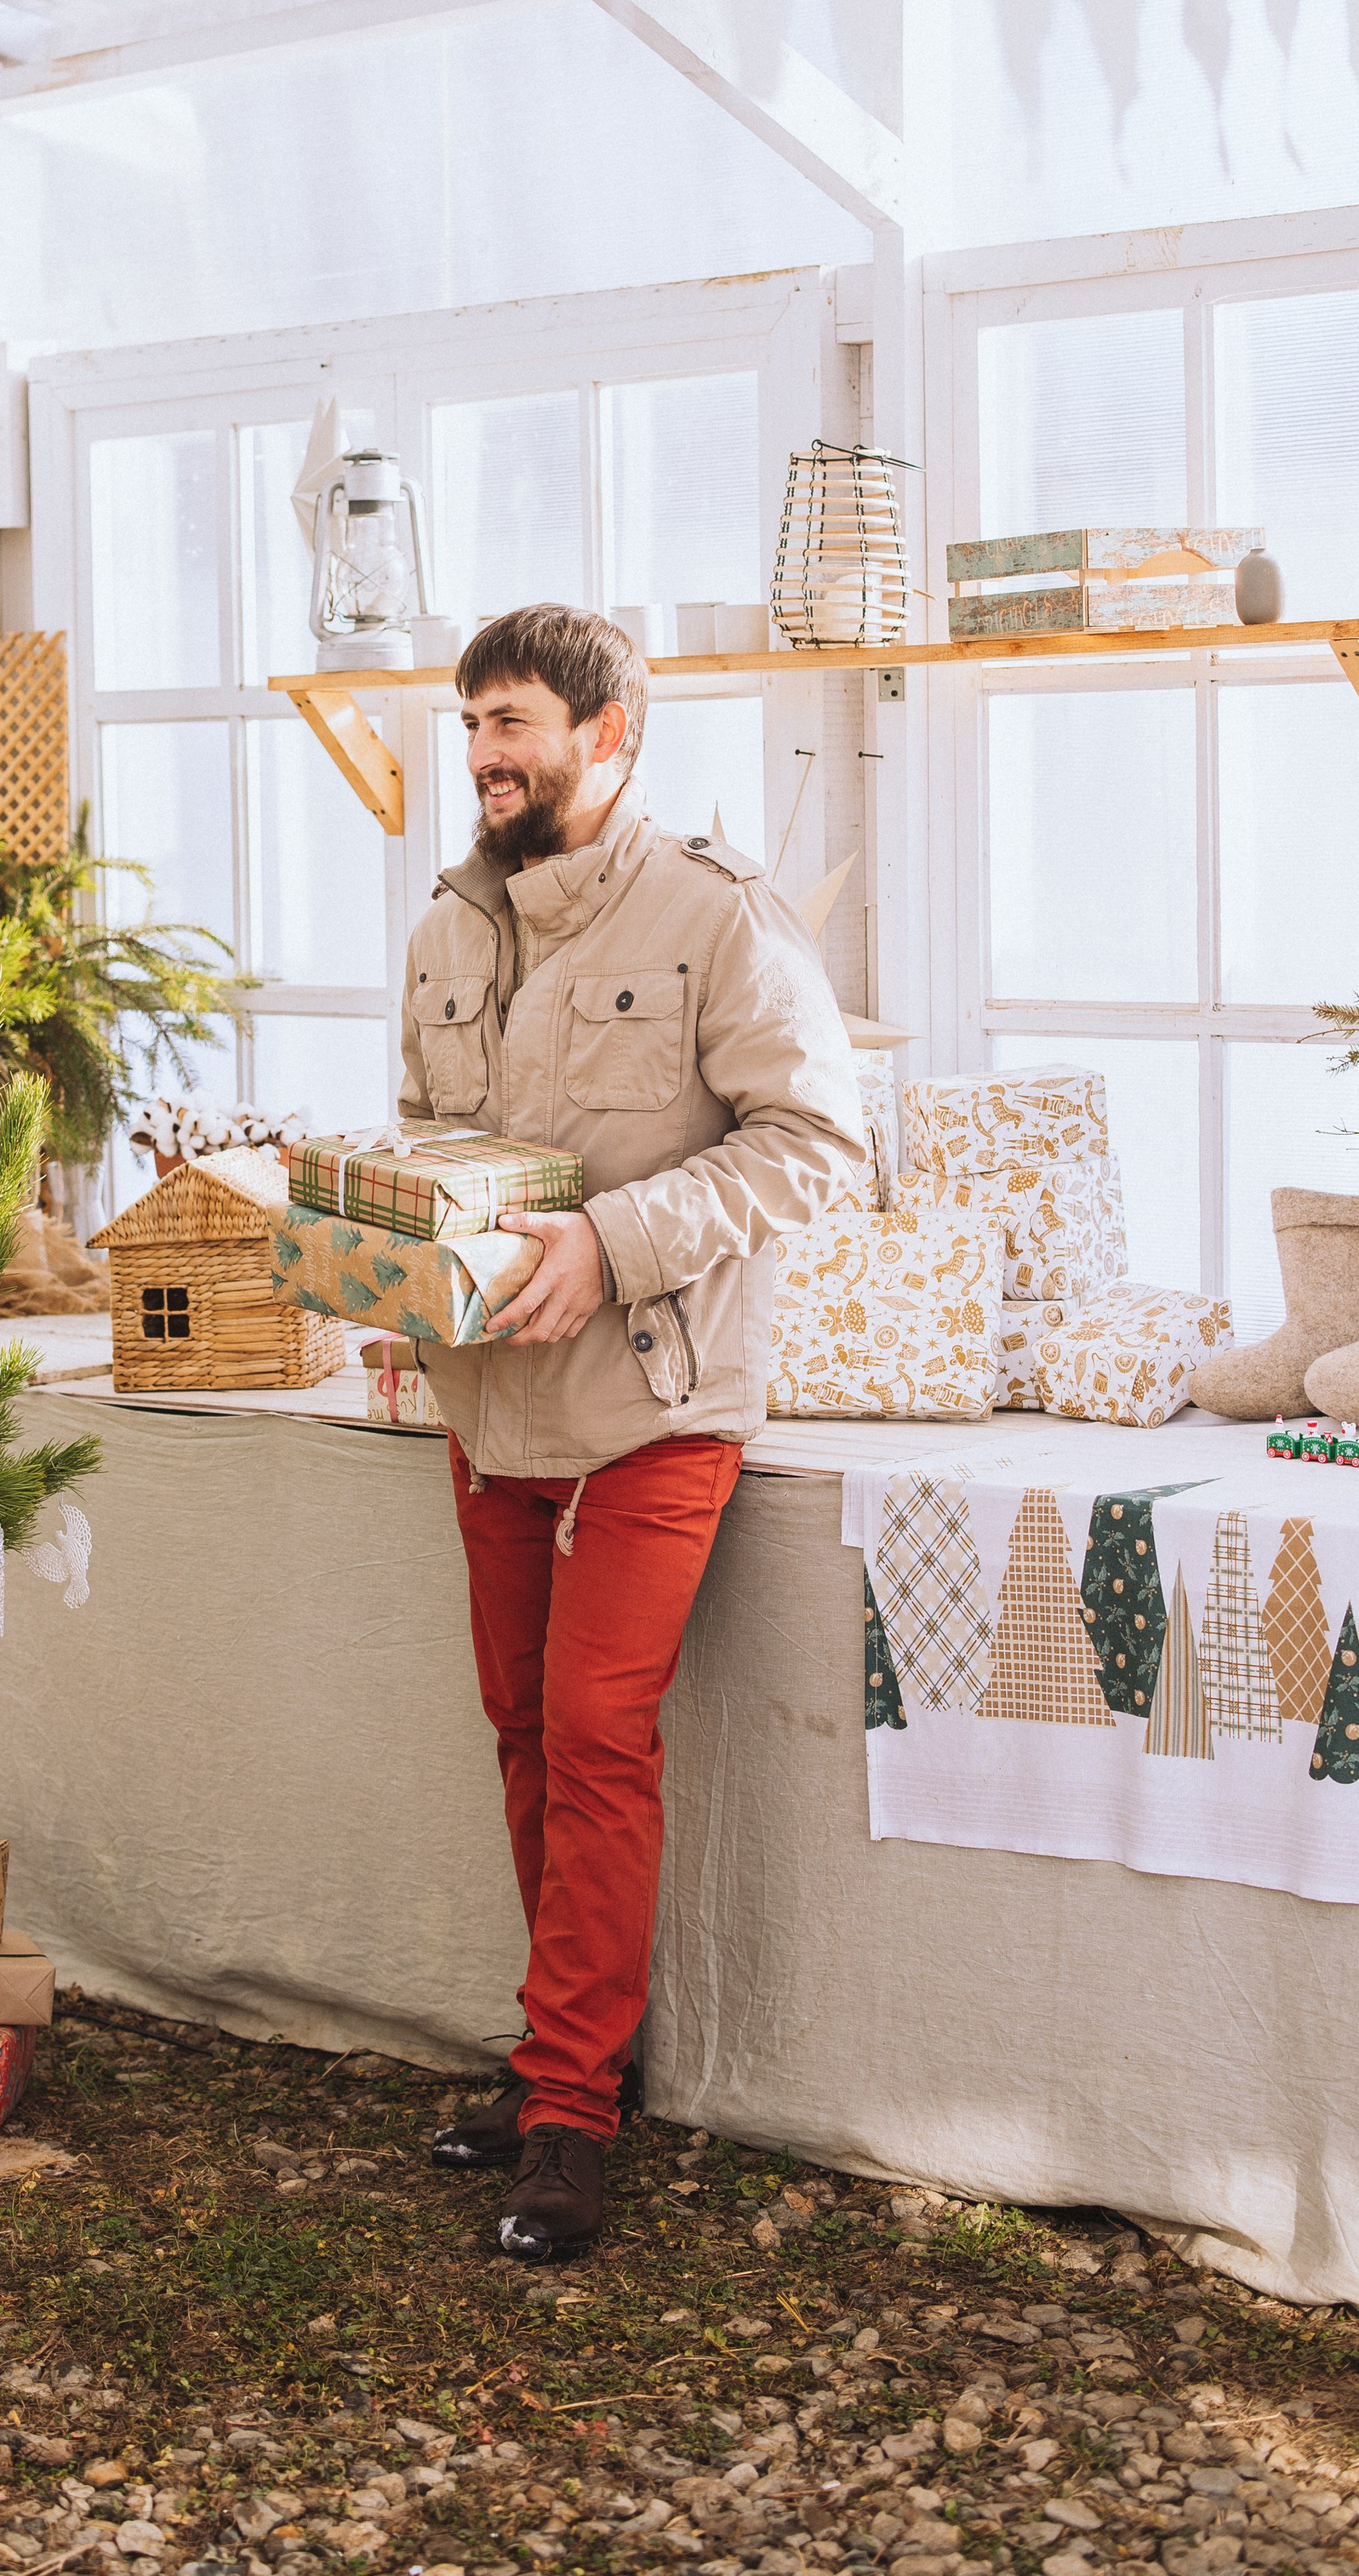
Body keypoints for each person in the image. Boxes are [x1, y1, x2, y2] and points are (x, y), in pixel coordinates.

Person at [401, 603, 864, 2261]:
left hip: (658, 1400)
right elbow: (431, 1144)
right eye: (468, 723)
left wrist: (610, 1242)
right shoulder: (448, 916)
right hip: (487, 1398)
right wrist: (385, 1258)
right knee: (520, 1725)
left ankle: (571, 2122)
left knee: (596, 1735)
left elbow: (815, 1143)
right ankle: (560, 2061)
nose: (481, 754)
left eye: (511, 720)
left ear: (611, 733)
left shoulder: (716, 912)